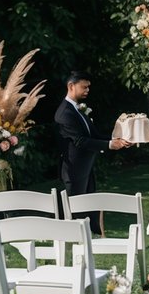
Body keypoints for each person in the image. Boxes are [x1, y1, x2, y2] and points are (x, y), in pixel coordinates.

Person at [55, 70, 131, 234]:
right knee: (75, 212)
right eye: (84, 87)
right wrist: (110, 145)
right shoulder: (65, 113)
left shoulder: (78, 110)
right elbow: (80, 141)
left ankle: (88, 241)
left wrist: (118, 139)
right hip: (73, 171)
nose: (88, 90)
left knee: (88, 208)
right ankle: (74, 245)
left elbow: (93, 135)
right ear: (71, 86)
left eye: (89, 87)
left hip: (85, 169)